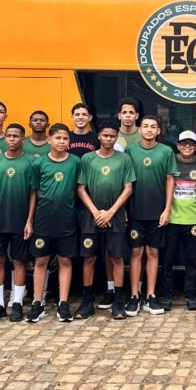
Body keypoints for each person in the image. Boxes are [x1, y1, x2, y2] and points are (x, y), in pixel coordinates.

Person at [76, 118, 135, 320]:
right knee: (89, 258)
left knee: (116, 257)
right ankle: (87, 302)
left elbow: (128, 188)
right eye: (105, 135)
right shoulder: (87, 159)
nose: (109, 139)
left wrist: (110, 212)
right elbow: (81, 188)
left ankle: (117, 302)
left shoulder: (124, 159)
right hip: (91, 216)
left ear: (117, 137)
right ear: (99, 136)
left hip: (115, 216)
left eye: (112, 136)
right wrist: (95, 212)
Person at [0, 123, 36, 323]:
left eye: (16, 136)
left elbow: (33, 194)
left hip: (20, 221)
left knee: (19, 262)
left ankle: (17, 304)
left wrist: (29, 220)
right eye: (9, 136)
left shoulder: (30, 162)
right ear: (5, 138)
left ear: (23, 139)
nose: (12, 139)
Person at [28, 123, 83, 323]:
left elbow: (78, 189)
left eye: (65, 138)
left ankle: (63, 303)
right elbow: (34, 192)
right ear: (49, 140)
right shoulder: (38, 164)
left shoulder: (75, 162)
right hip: (43, 220)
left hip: (67, 220)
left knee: (65, 261)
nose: (62, 141)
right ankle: (37, 303)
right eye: (58, 138)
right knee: (41, 261)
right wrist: (30, 220)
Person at [124, 115, 178, 316]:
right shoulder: (130, 151)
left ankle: (150, 296)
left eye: (153, 127)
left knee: (153, 253)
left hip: (157, 212)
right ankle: (134, 296)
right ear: (140, 129)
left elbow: (170, 180)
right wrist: (124, 209)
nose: (148, 129)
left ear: (158, 131)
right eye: (145, 126)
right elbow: (125, 182)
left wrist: (167, 209)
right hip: (135, 211)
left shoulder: (166, 151)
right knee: (136, 253)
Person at [160, 130, 196, 311]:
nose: (187, 146)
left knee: (192, 260)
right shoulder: (170, 160)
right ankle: (167, 295)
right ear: (177, 146)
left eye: (191, 144)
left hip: (193, 218)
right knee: (168, 259)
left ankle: (191, 295)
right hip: (172, 218)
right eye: (183, 143)